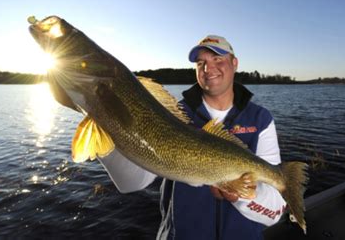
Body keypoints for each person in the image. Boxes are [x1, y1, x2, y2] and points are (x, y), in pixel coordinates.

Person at [98, 35, 287, 240]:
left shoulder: (261, 119)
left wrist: (241, 196)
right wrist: (102, 118)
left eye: (217, 59)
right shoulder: (171, 115)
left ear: (234, 63)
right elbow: (131, 184)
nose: (208, 68)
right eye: (201, 63)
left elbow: (275, 212)